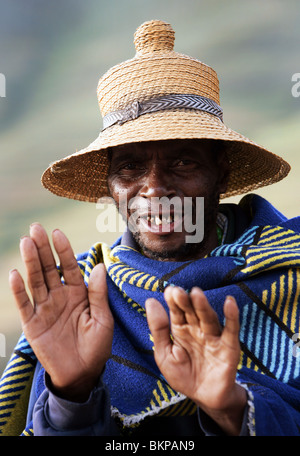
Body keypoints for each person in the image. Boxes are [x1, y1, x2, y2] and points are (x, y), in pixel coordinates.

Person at [1, 19, 300, 437]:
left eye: (183, 161)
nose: (155, 188)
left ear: (221, 170)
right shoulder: (82, 301)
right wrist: (72, 392)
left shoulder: (292, 274)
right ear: (110, 185)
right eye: (130, 167)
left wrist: (233, 408)